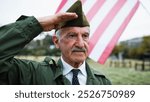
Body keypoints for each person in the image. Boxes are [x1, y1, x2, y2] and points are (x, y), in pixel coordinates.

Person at [0, 0, 111, 85]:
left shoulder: (103, 83)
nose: (81, 44)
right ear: (56, 42)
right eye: (72, 35)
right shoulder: (32, 74)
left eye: (85, 36)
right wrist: (38, 24)